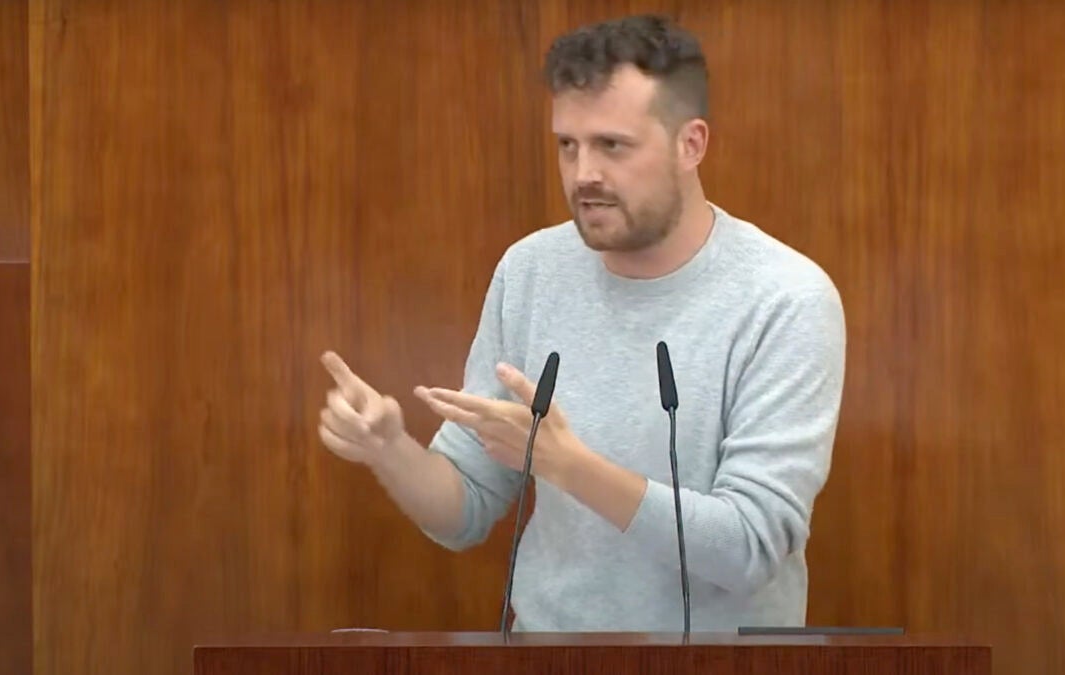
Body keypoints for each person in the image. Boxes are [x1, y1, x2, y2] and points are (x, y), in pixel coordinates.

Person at [317, 14, 846, 632]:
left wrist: (570, 466)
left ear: (691, 144)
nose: (583, 173)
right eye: (567, 145)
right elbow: (464, 509)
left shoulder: (785, 298)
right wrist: (390, 450)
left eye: (612, 145)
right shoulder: (531, 271)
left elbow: (750, 546)